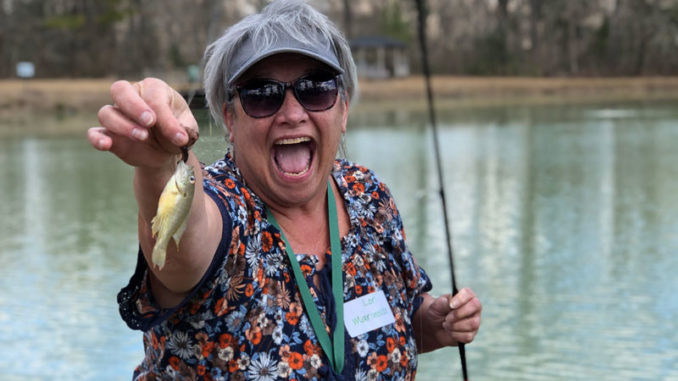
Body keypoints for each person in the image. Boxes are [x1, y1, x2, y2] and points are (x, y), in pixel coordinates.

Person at [88, 0, 481, 379]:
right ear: (230, 118)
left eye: (316, 88)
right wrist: (162, 161)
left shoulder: (368, 195)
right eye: (262, 95)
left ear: (342, 109)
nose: (293, 114)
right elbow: (185, 238)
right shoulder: (226, 207)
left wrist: (428, 322)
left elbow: (388, 317)